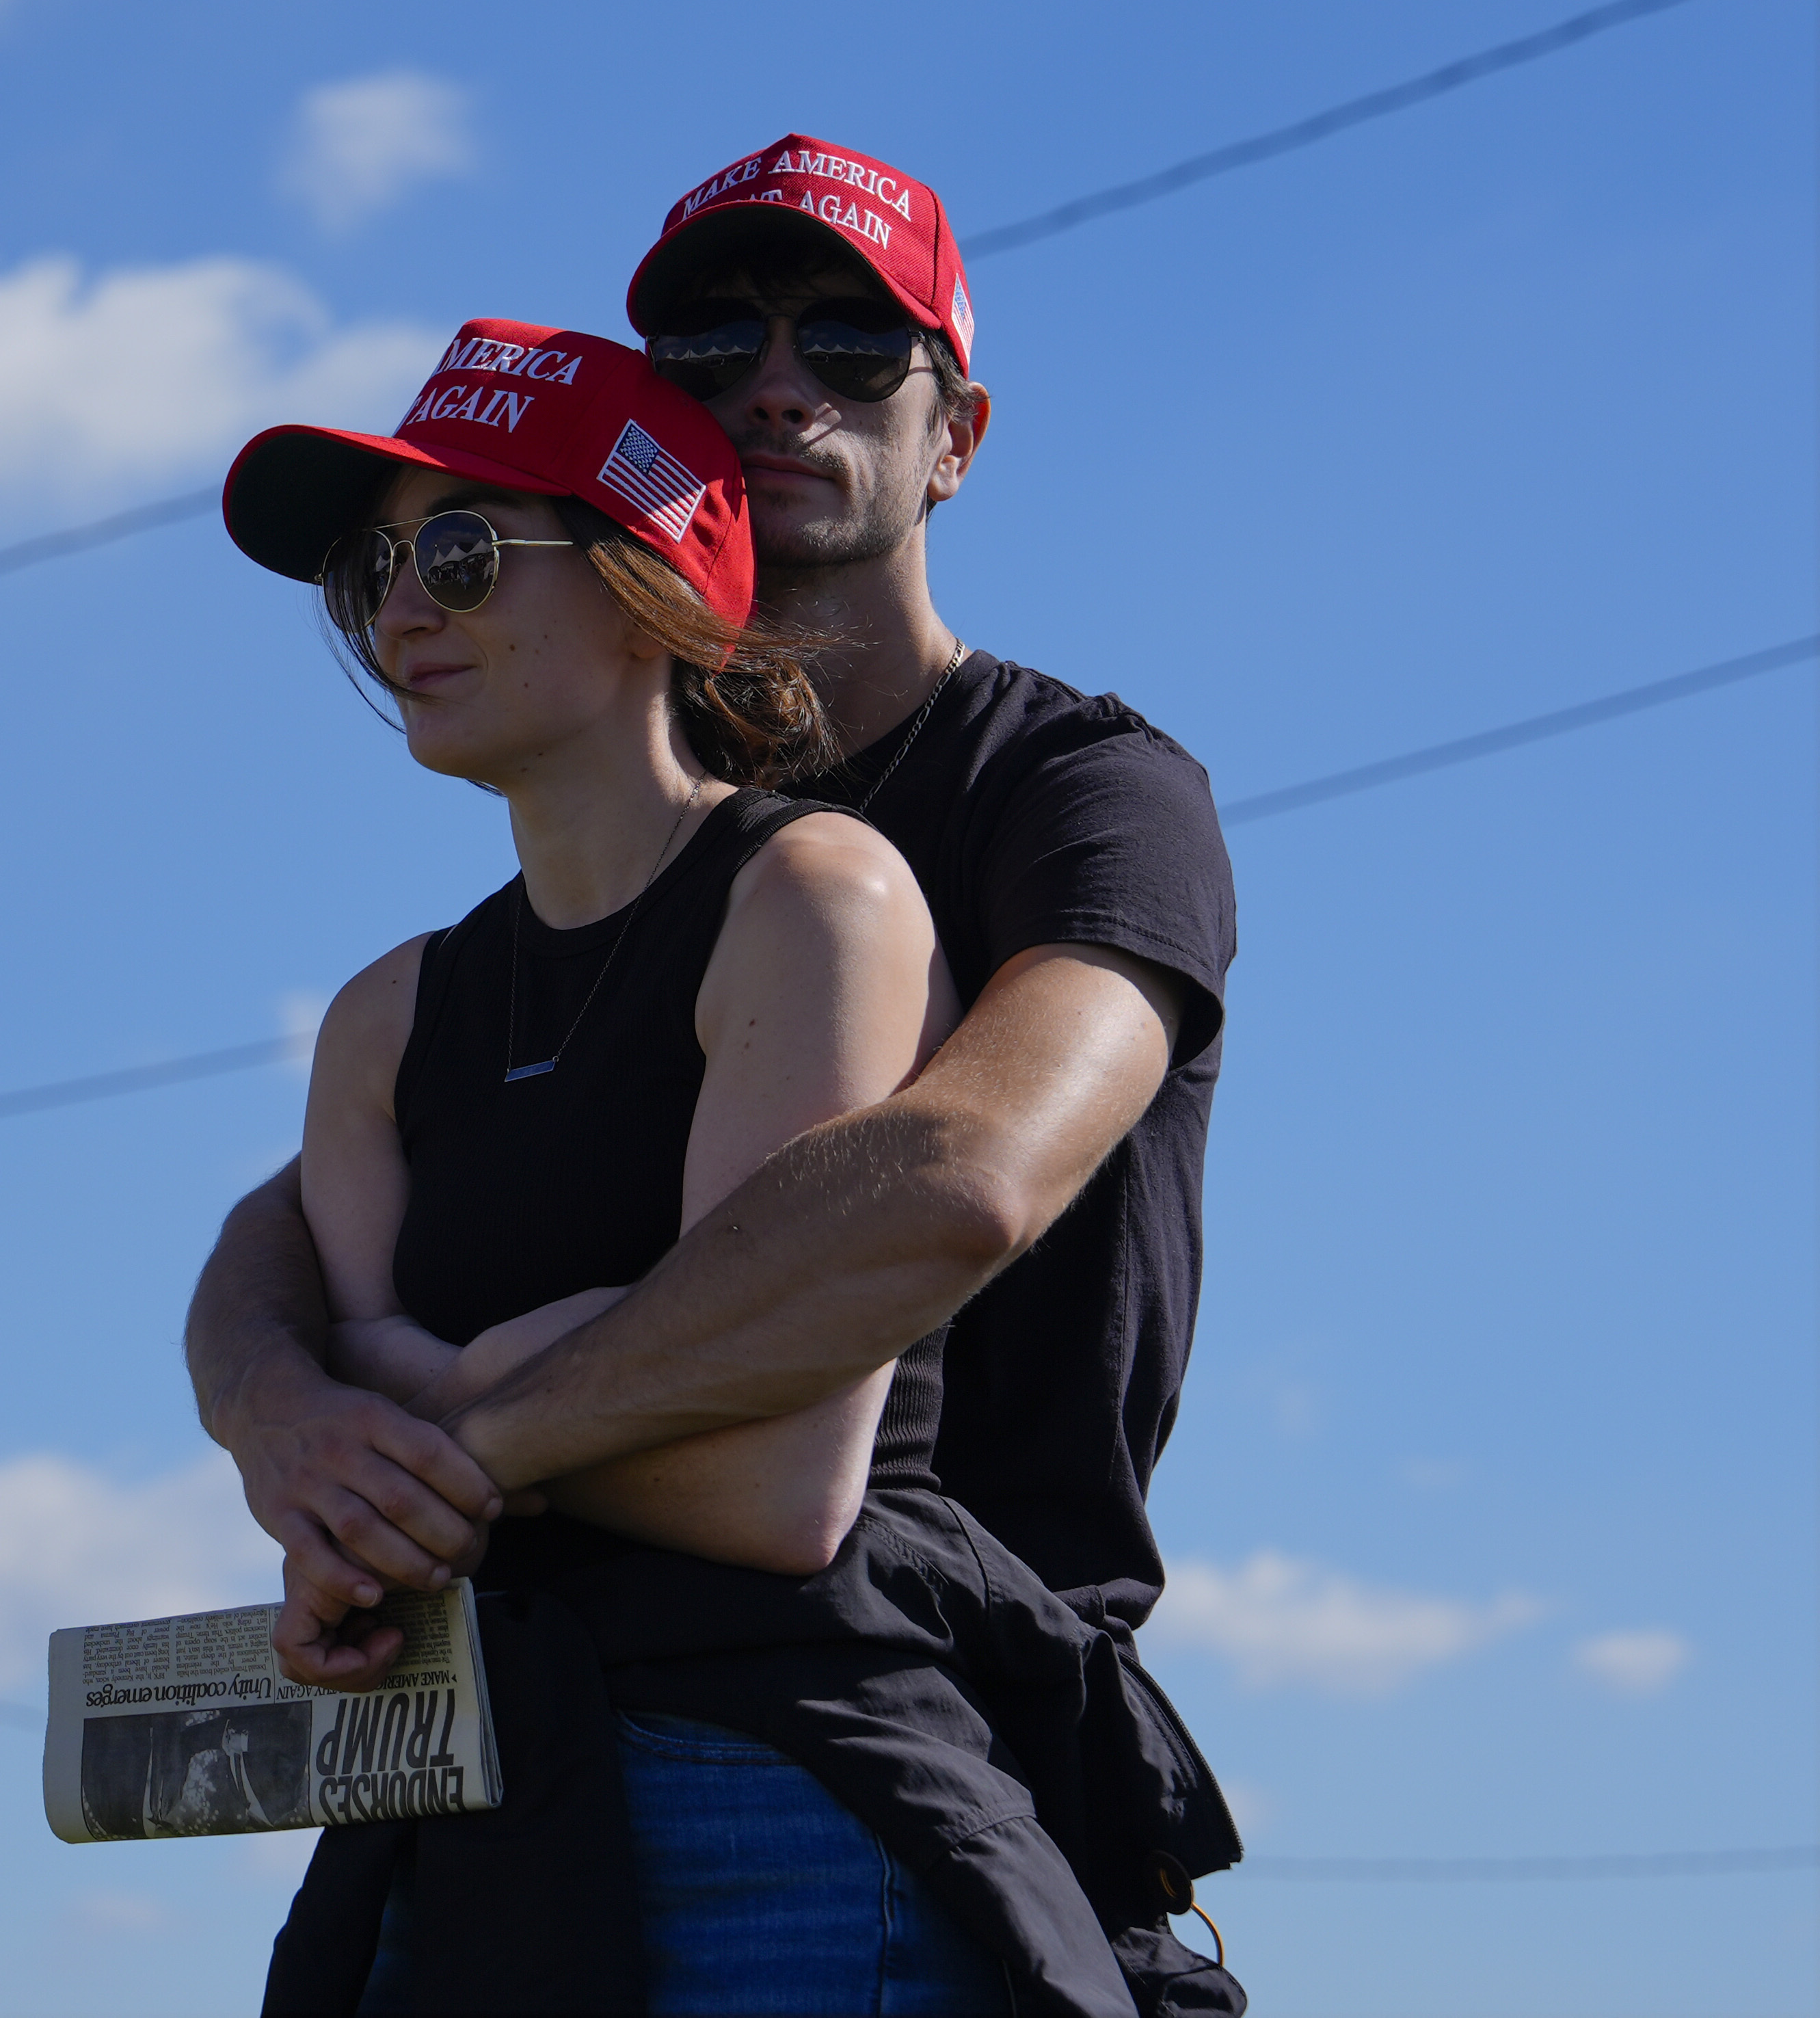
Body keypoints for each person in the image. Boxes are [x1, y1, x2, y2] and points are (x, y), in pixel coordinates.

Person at [191, 136, 1244, 2013]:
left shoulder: (1076, 796)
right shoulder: (548, 888)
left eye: (851, 342)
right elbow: (277, 1228)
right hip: (515, 1737)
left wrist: (442, 1453)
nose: (771, 381)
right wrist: (282, 1411)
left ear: (956, 434)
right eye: (703, 343)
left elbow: (947, 1180)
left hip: (901, 1697)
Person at [223, 315, 1007, 2010]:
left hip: (772, 1804)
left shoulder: (813, 897)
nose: (404, 609)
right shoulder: (383, 1016)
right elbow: (367, 1509)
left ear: (651, 579)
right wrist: (598, 1361)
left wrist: (457, 1383)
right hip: (455, 1810)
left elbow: (778, 1489)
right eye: (373, 570)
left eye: (459, 552)